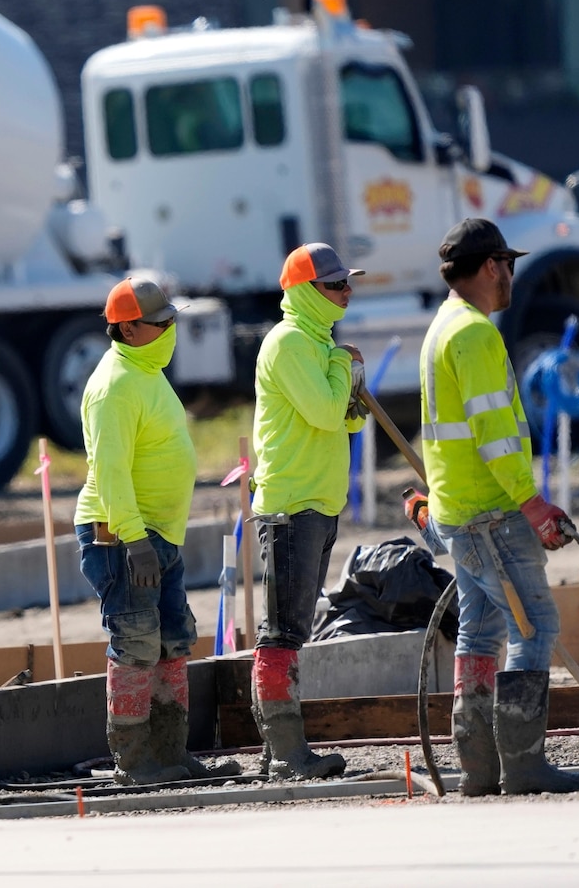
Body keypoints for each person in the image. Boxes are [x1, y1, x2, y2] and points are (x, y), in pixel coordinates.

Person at [415, 218, 579, 796]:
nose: (511, 276)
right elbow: (495, 436)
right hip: (490, 511)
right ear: (492, 266)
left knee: (481, 628)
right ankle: (521, 762)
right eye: (508, 265)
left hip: (459, 511)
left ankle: (477, 767)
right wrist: (535, 506)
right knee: (534, 624)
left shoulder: (443, 327)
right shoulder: (474, 334)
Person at [75, 276, 243, 785]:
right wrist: (135, 540)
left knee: (173, 639)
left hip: (156, 537)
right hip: (124, 537)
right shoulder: (115, 385)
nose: (172, 329)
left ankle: (170, 751)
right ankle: (134, 760)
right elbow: (110, 473)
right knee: (136, 641)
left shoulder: (147, 370)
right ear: (128, 328)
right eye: (161, 322)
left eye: (172, 319)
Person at [248, 243, 367, 780]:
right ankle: (286, 753)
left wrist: (350, 383)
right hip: (291, 506)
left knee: (292, 629)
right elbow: (324, 410)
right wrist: (344, 367)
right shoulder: (292, 343)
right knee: (282, 632)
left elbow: (348, 421)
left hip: (316, 504)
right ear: (305, 291)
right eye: (337, 285)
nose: (347, 292)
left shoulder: (318, 343)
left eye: (348, 283)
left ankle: (283, 751)